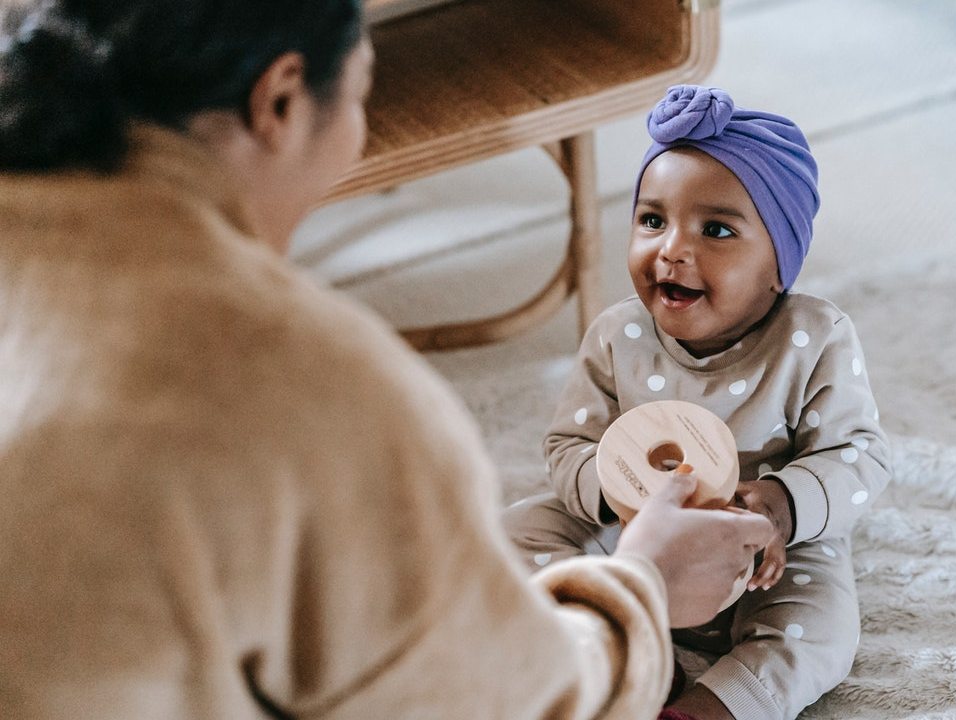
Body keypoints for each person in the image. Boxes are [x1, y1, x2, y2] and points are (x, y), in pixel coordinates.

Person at [0, 4, 773, 718]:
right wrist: (643, 586)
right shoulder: (314, 385)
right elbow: (507, 704)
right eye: (363, 93)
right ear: (281, 100)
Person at [504, 85, 893, 720]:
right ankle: (629, 658)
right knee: (516, 534)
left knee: (822, 626)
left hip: (765, 552)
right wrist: (619, 497)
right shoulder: (618, 335)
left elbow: (860, 455)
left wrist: (783, 506)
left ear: (780, 265)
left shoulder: (814, 338)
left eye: (715, 230)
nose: (672, 250)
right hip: (630, 537)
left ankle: (705, 707)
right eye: (652, 221)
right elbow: (568, 444)